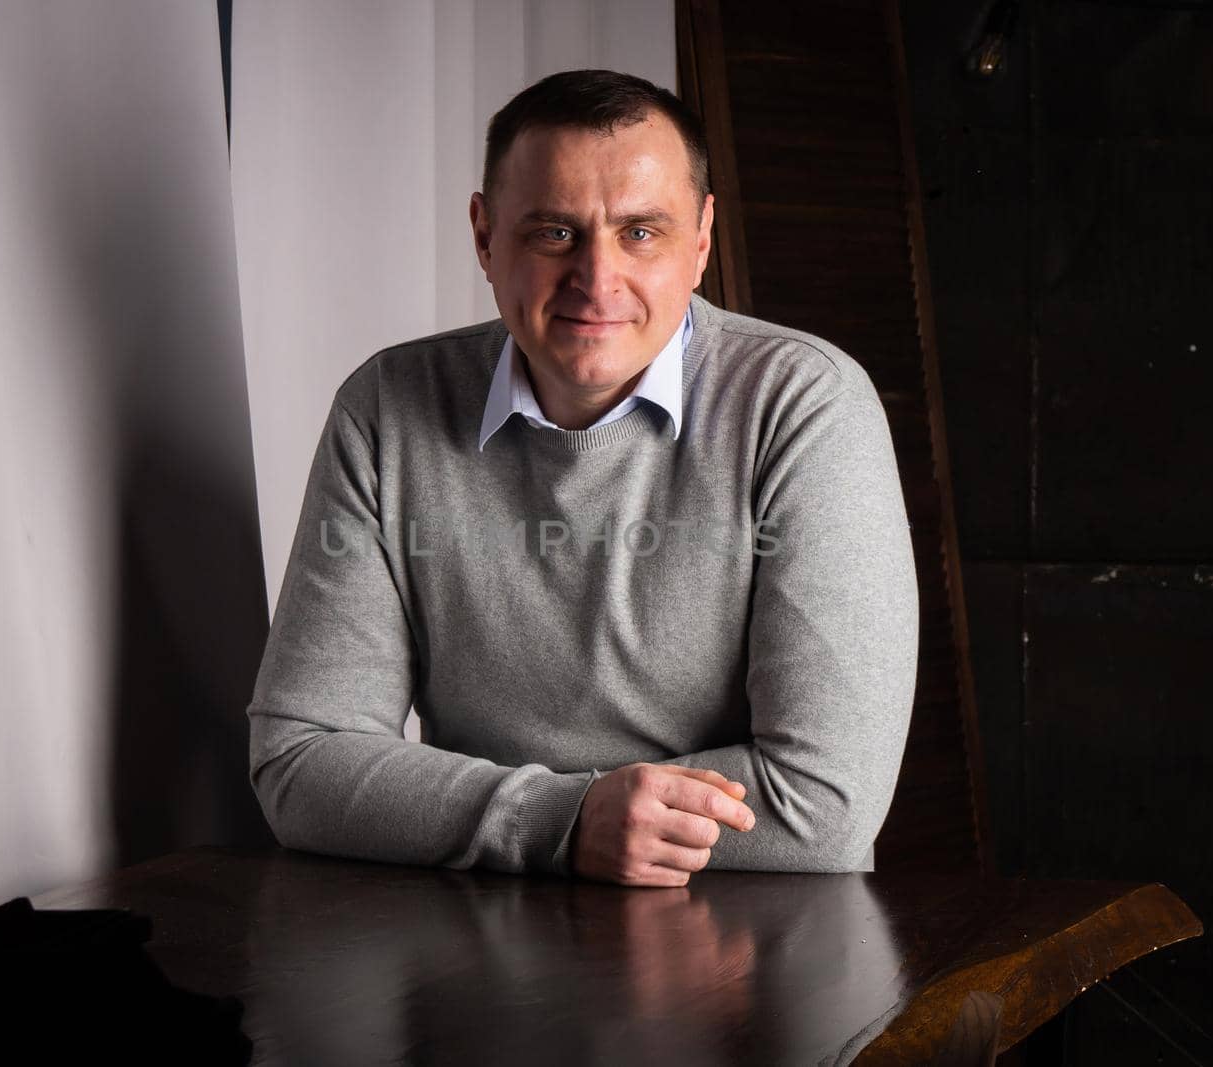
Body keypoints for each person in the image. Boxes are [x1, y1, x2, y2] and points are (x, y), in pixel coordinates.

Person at [246, 69, 919, 888]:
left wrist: (491, 814)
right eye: (555, 233)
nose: (597, 282)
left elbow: (821, 805)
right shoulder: (388, 407)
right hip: (477, 942)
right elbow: (300, 761)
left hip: (756, 949)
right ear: (485, 237)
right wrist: (563, 821)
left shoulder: (804, 405)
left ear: (701, 241)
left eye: (641, 233)